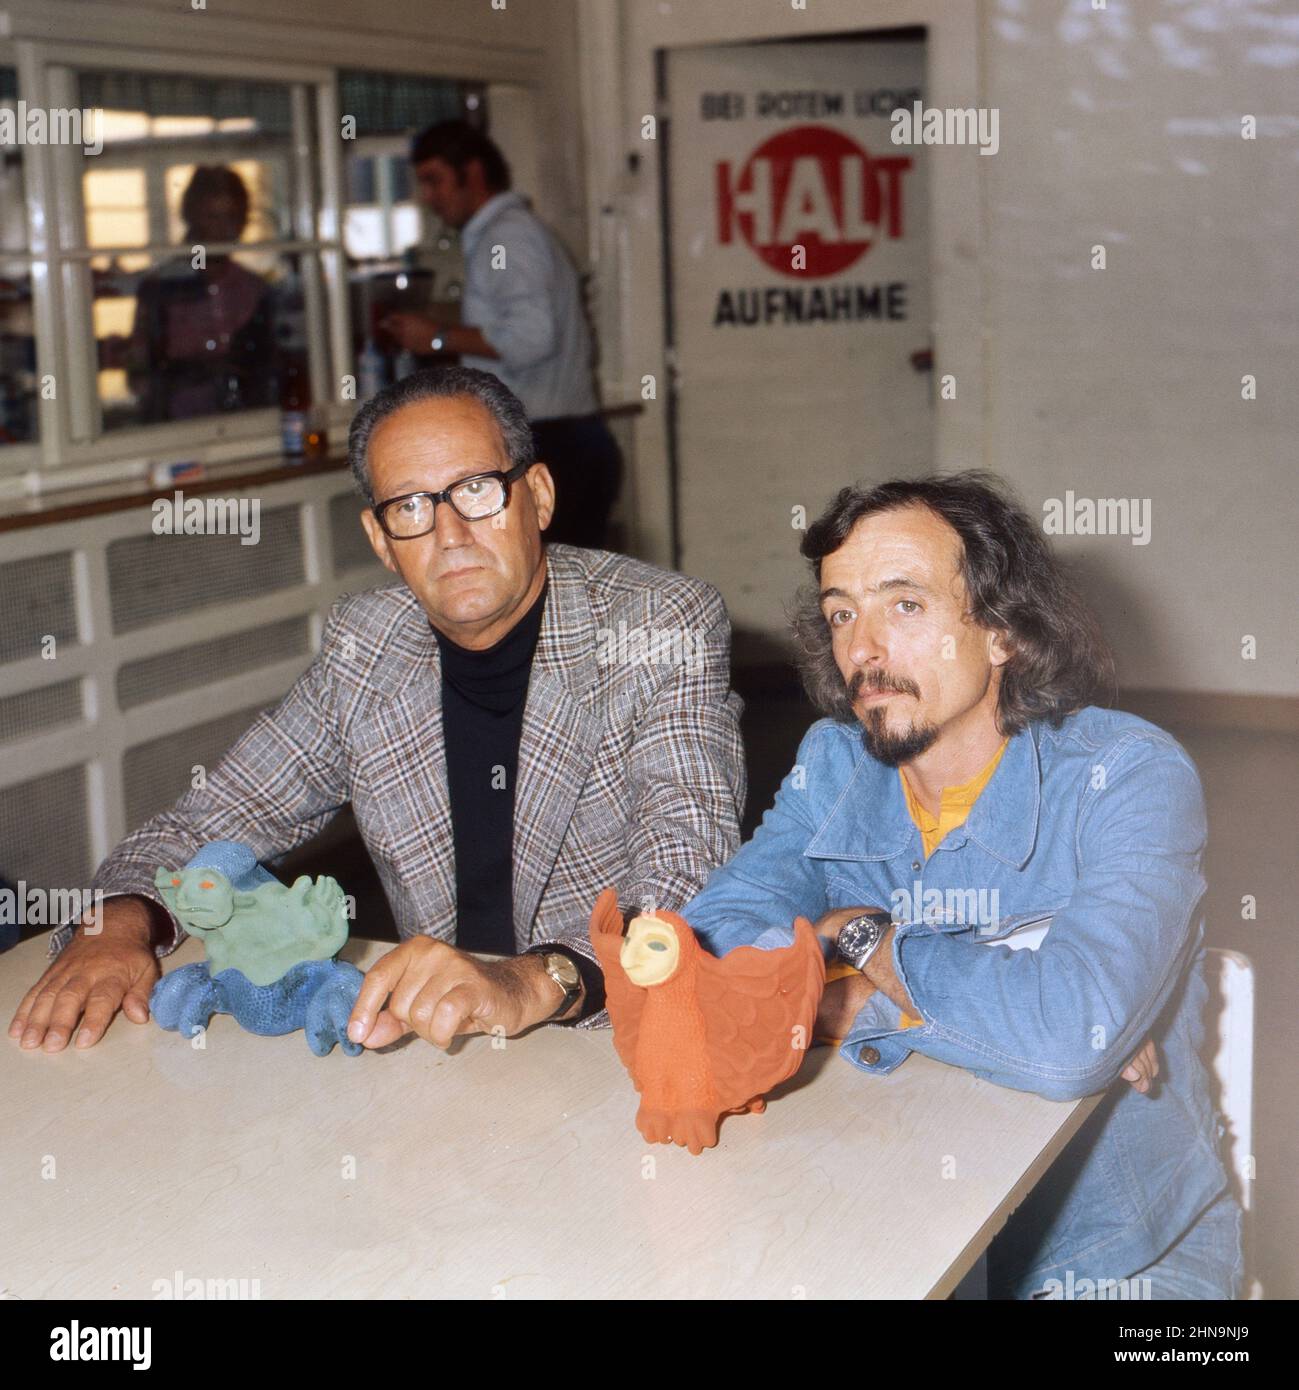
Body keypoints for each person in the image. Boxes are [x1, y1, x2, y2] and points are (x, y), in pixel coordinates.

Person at [9, 366, 745, 1055]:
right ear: (381, 539)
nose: (449, 535)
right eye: (411, 507)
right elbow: (213, 817)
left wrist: (537, 979)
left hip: (609, 1035)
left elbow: (689, 870)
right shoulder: (368, 644)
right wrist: (119, 923)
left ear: (540, 496)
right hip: (434, 1048)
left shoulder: (659, 625)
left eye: (477, 490)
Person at [681, 472, 1241, 1300]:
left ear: (1003, 632)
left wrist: (858, 945)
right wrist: (989, 1012)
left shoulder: (1126, 774)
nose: (862, 649)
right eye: (842, 612)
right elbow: (710, 939)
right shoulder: (832, 761)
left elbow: (1062, 1041)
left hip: (1117, 1256)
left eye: (903, 605)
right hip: (892, 1214)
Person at [381, 120, 623, 549]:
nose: (428, 198)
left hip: (556, 443)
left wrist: (438, 337)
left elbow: (530, 338)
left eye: (435, 181)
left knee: (553, 601)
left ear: (472, 173)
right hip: (564, 439)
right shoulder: (507, 234)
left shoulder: (506, 238)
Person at [125, 165, 277, 423]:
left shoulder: (255, 290)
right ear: (190, 216)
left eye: (231, 217)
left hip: (249, 431)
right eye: (211, 217)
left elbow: (272, 372)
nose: (222, 230)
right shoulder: (161, 286)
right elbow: (138, 376)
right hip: (177, 434)